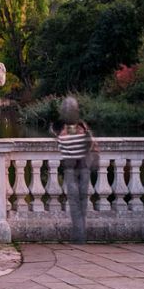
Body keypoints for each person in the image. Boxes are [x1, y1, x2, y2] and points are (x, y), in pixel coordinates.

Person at [50, 96, 94, 243]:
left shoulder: (82, 126)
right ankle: (79, 235)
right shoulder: (62, 126)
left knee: (80, 202)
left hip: (82, 169)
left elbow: (89, 145)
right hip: (73, 170)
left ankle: (79, 235)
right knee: (77, 203)